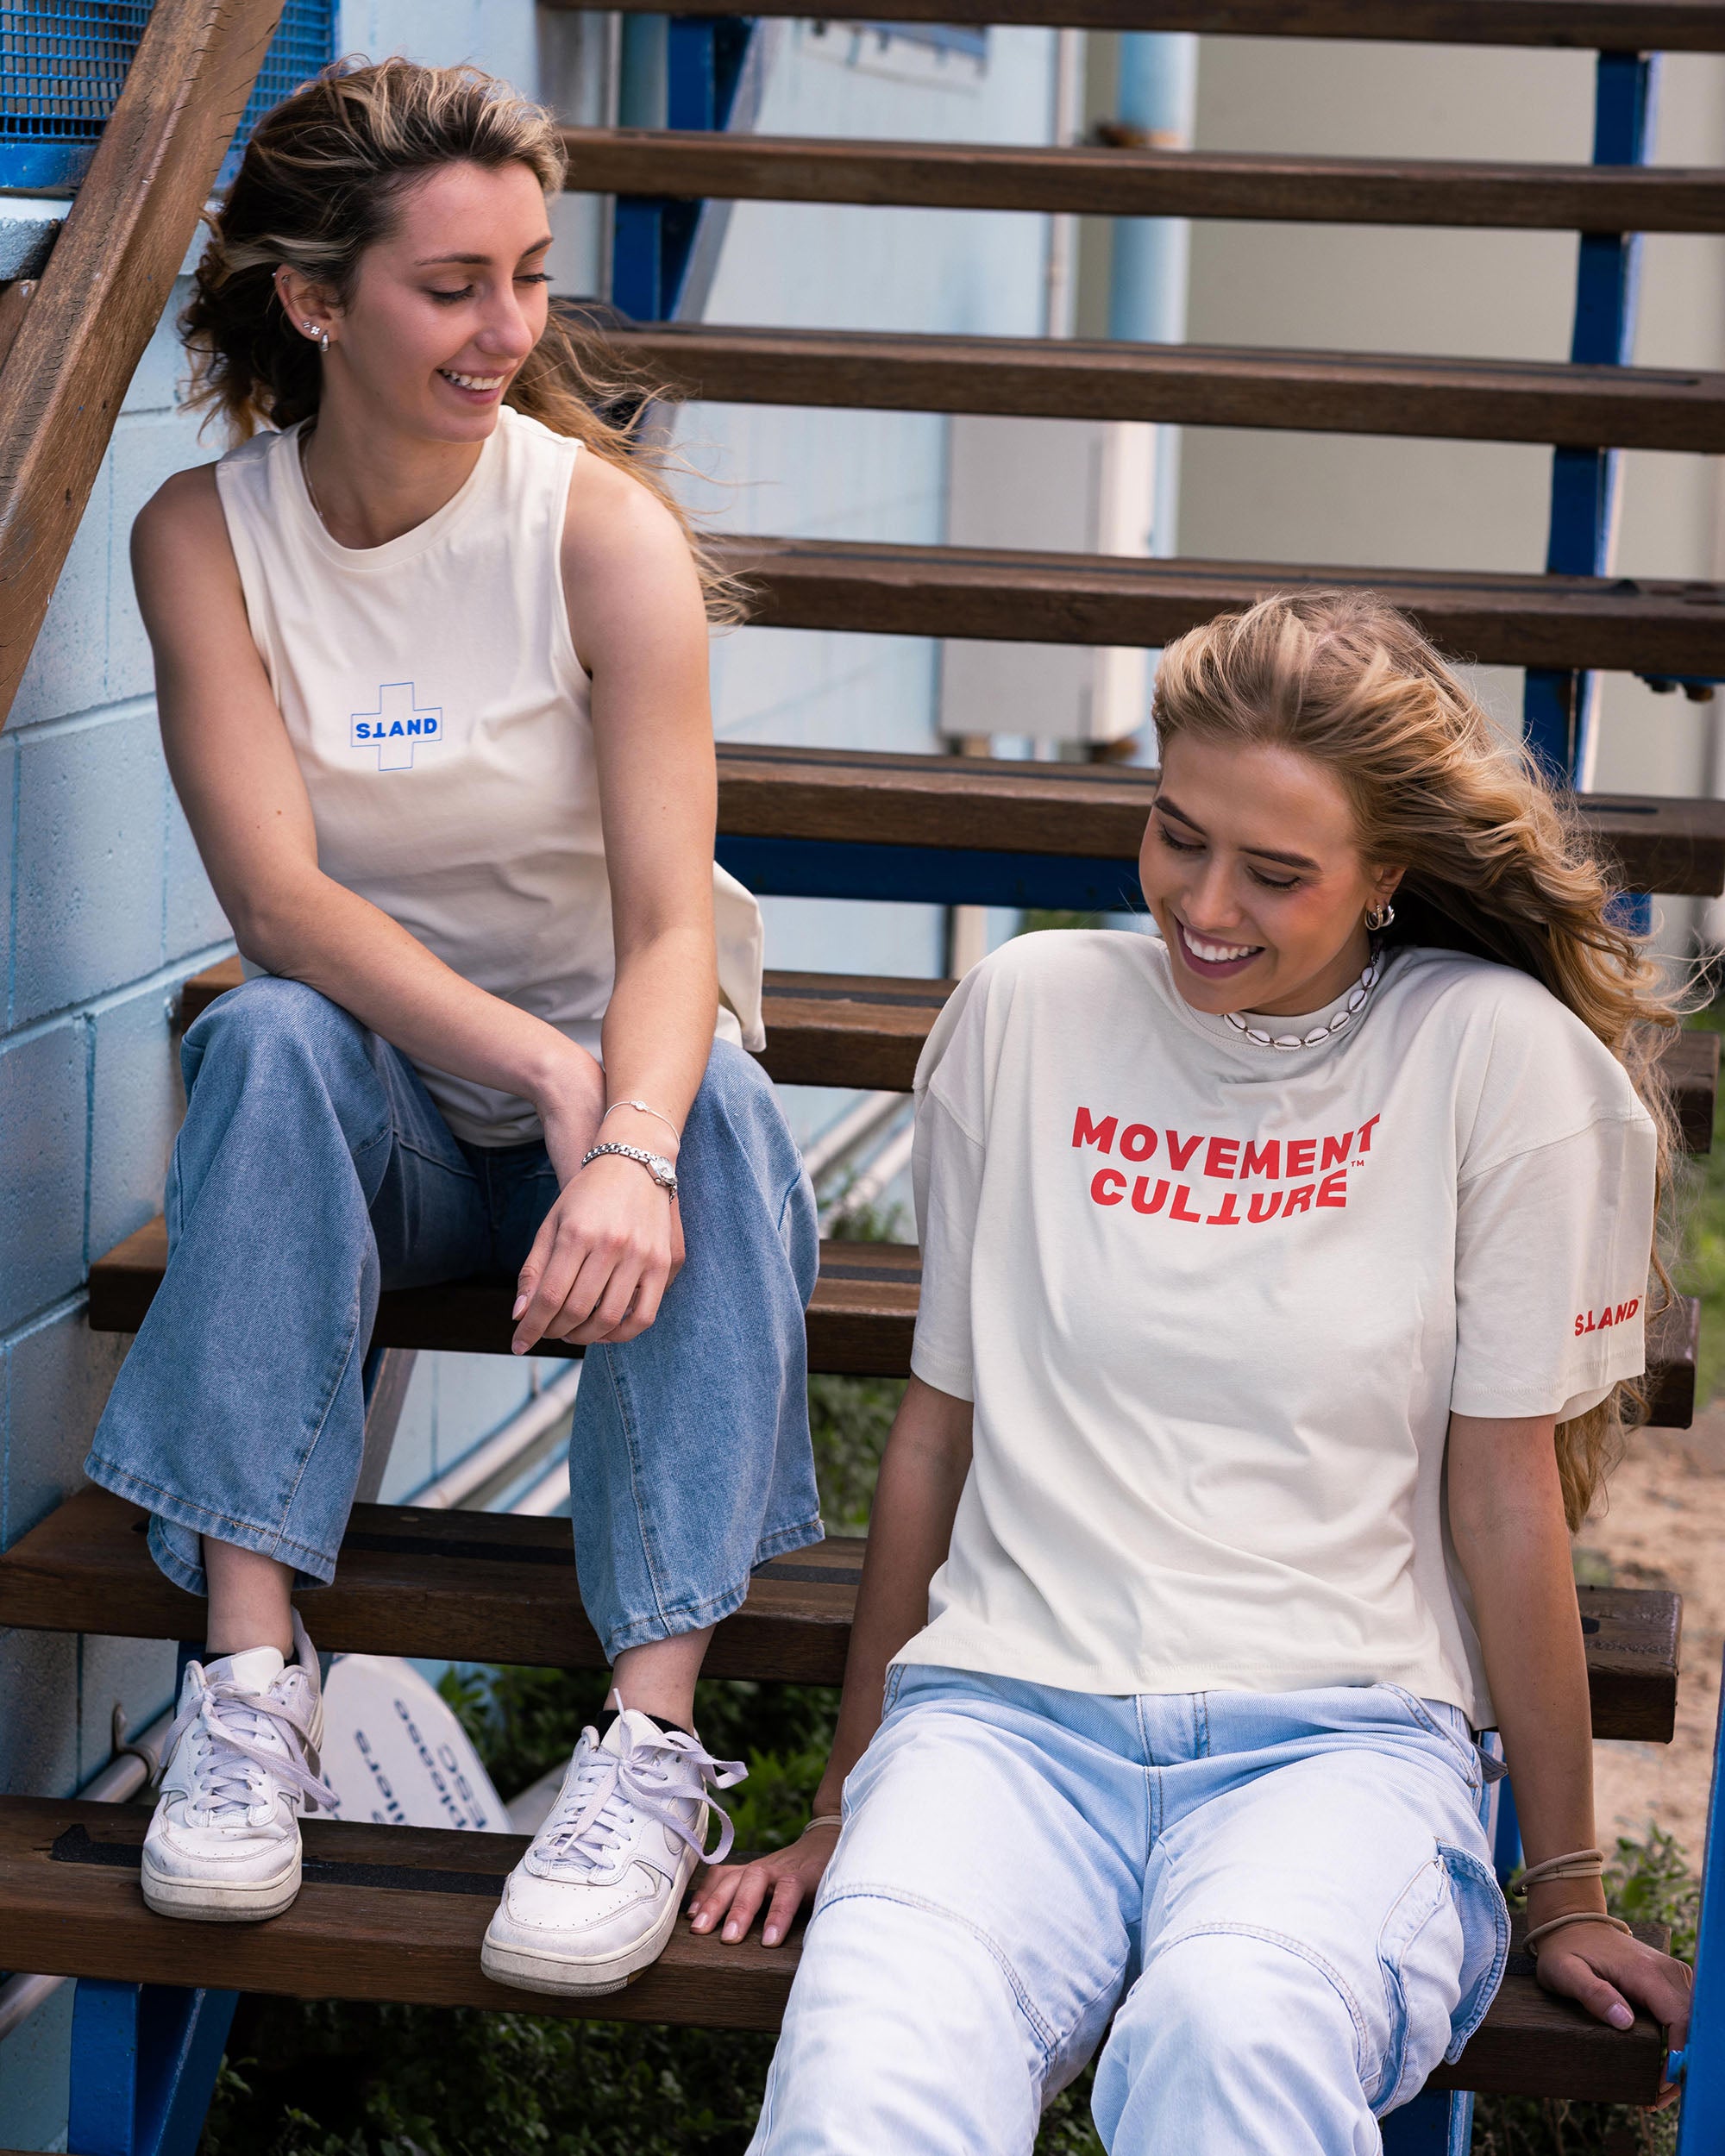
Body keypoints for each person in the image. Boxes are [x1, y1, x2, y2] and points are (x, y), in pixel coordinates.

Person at [693, 592, 1695, 2151]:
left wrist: (1563, 1885)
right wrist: (844, 1802)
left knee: (1231, 2033)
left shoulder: (1497, 1059)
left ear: (1389, 874)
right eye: (1177, 836)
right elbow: (937, 1440)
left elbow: (1506, 1502)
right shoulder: (1030, 1012)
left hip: (1340, 1747)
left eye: (1276, 873)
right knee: (863, 2082)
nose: (1205, 904)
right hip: (1005, 1726)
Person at [85, 59, 821, 1993]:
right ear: (314, 299)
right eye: (452, 285)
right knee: (263, 1035)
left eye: (529, 276)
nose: (509, 329)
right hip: (395, 1117)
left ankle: (647, 1747)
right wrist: (539, 1066)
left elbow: (671, 924)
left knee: (715, 1105)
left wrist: (626, 1128)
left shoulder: (596, 531)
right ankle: (251, 1686)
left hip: (620, 1109)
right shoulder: (202, 537)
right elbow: (279, 906)